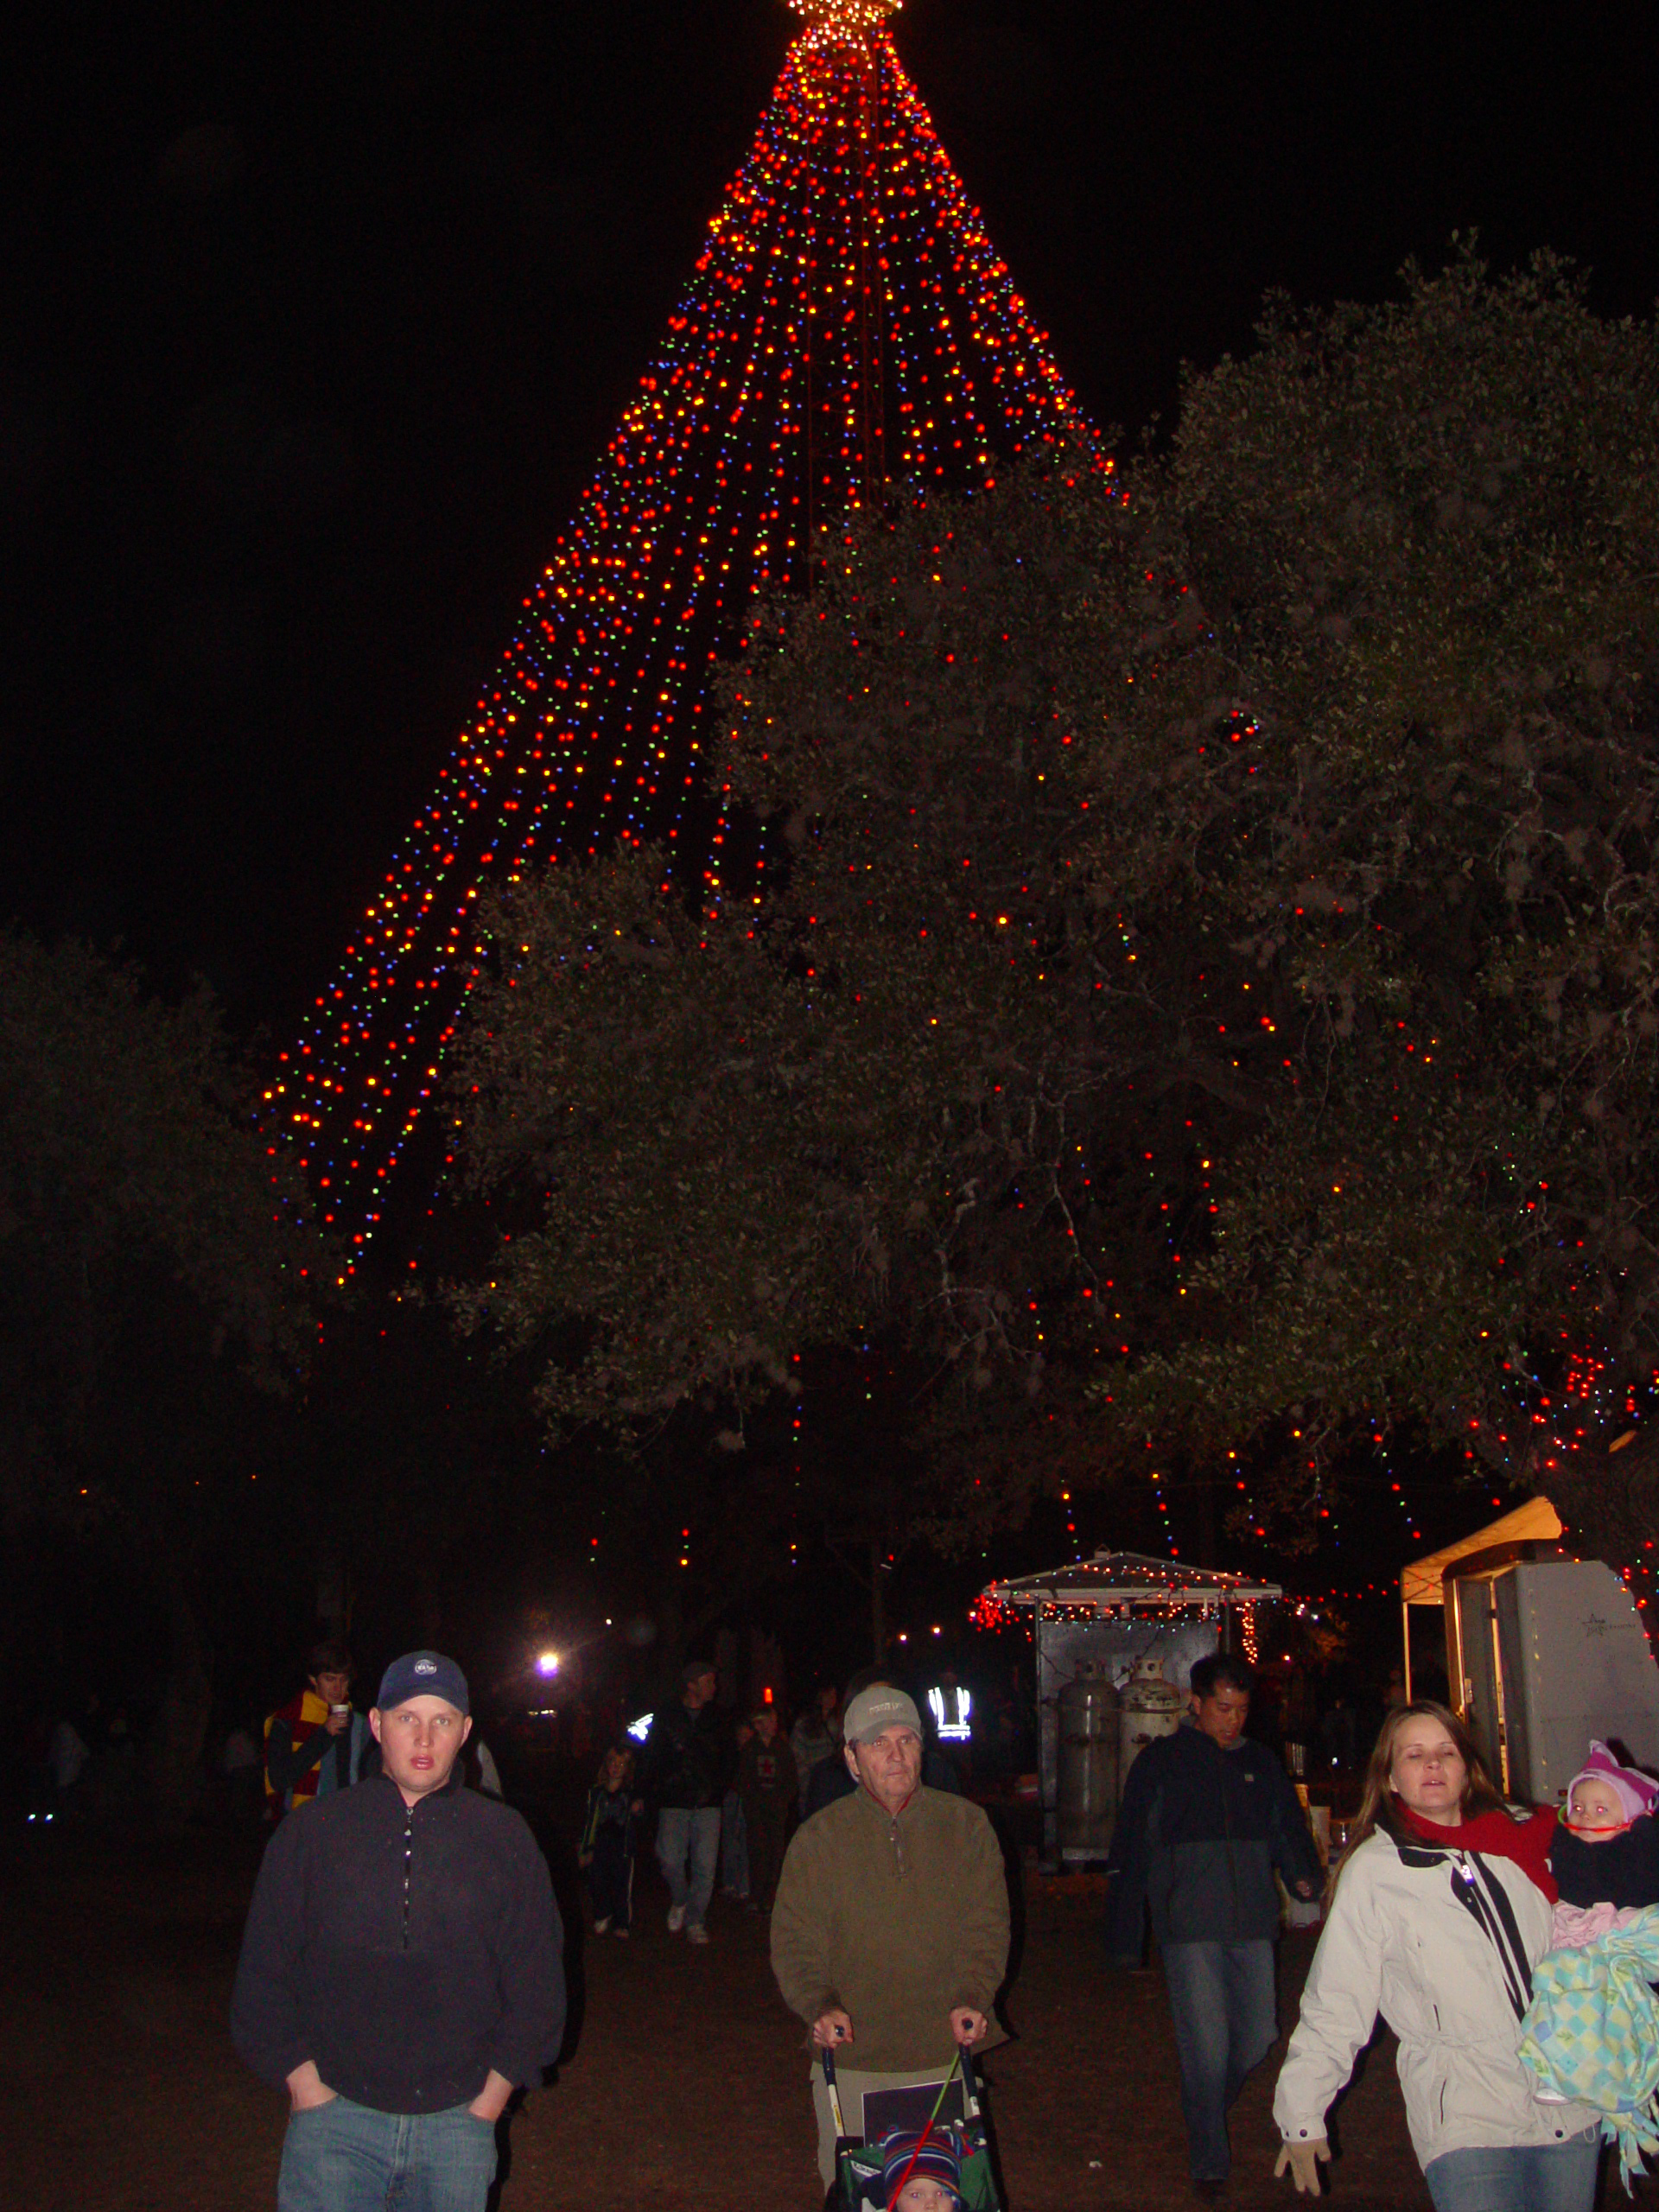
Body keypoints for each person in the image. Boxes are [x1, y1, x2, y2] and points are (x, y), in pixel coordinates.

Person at [232, 1649, 564, 2212]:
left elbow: (538, 1981)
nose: (425, 1738)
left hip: (457, 2125)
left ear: (466, 1732)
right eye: (408, 1718)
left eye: (442, 1720)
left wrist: (490, 2100)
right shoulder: (313, 1834)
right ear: (378, 1725)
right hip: (333, 2124)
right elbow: (264, 1972)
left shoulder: (505, 1839)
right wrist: (306, 2087)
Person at [1273, 1700, 1600, 2209]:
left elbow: (1608, 1925)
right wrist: (1301, 2111)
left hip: (1568, 2100)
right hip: (1465, 2114)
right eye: (1414, 1754)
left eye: (1446, 1752)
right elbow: (1337, 2000)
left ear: (1468, 1770)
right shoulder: (1377, 1871)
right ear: (1390, 1779)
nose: (1432, 1765)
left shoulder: (1528, 1837)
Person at [771, 1683, 1009, 2192]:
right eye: (878, 1743)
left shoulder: (966, 1826)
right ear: (852, 1760)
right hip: (855, 2056)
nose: (895, 1755)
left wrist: (973, 1995)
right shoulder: (818, 1839)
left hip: (943, 2052)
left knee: (944, 2195)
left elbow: (986, 1926)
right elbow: (794, 1941)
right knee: (864, 2197)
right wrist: (819, 2005)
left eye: (907, 1740)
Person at [1105, 1651, 1320, 2198]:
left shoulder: (1261, 1762)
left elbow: (1287, 1826)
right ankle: (1208, 2160)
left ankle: (1203, 2106)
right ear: (1195, 1704)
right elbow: (1132, 1846)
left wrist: (1301, 1876)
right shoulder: (1161, 1764)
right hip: (1188, 1921)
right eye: (1222, 1708)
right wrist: (1127, 1935)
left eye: (1242, 1709)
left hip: (1251, 1916)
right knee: (1206, 2043)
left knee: (1258, 2035)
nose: (1233, 1720)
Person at [640, 1658, 732, 1945]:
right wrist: (645, 1792)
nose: (713, 1687)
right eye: (707, 1681)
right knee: (670, 1858)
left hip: (707, 1801)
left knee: (705, 1866)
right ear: (691, 1685)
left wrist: (718, 1789)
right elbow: (652, 1755)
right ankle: (679, 1899)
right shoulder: (667, 1715)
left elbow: (729, 1757)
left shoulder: (718, 1717)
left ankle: (696, 1920)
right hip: (674, 1799)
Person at [263, 1638, 370, 1821]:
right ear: (313, 1679)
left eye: (343, 1680)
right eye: (330, 1679)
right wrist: (323, 1735)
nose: (338, 1688)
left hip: (345, 1822)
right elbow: (279, 1779)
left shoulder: (359, 1724)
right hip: (302, 1822)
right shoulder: (288, 1720)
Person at [740, 1703, 798, 1910]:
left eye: (775, 1720)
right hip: (756, 1811)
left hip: (776, 1810)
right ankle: (756, 1896)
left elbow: (791, 1778)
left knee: (775, 1853)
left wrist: (782, 1801)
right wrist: (753, 1803)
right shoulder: (750, 1750)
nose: (775, 1725)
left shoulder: (782, 1748)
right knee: (757, 1852)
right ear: (759, 1724)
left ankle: (772, 1897)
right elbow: (743, 1781)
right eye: (770, 1721)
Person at [579, 1744, 640, 1936]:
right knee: (597, 1881)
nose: (616, 1767)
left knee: (620, 1885)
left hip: (621, 1847)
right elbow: (589, 1822)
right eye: (613, 1762)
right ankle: (603, 1913)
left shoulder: (630, 1794)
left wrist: (638, 1810)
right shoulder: (596, 1793)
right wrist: (584, 1848)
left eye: (622, 1764)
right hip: (599, 1845)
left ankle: (622, 1922)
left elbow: (638, 1821)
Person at [791, 1683, 842, 1804]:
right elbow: (797, 1758)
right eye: (828, 1694)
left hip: (834, 1788)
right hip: (813, 1788)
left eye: (834, 1694)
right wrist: (809, 1785)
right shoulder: (804, 1724)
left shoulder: (838, 1722)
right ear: (820, 1697)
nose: (832, 1698)